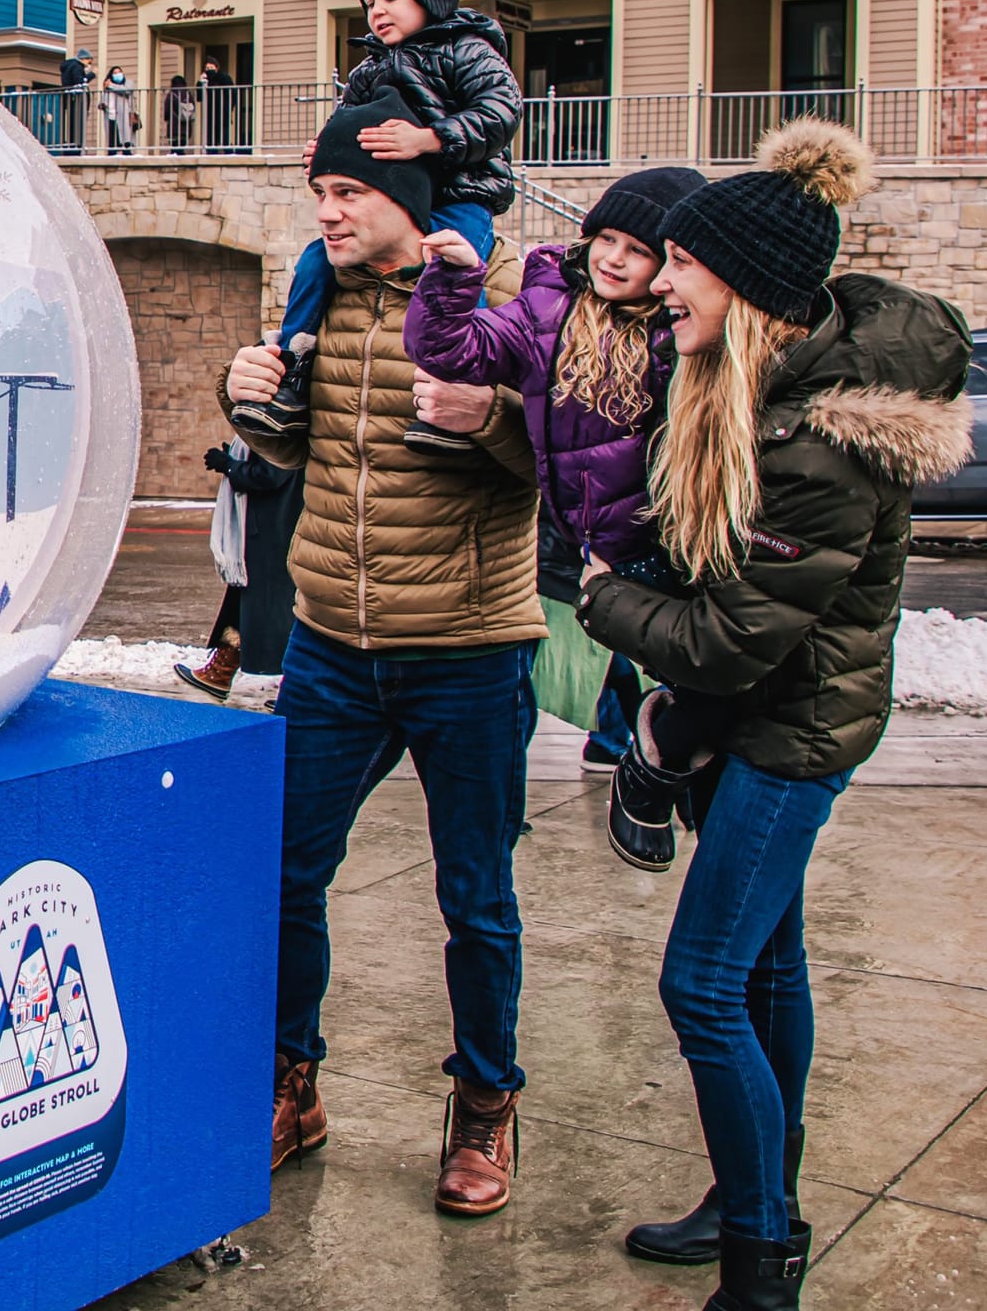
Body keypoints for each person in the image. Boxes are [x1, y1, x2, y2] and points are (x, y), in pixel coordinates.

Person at [575, 120, 971, 1309]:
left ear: (746, 288)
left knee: (702, 985)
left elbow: (729, 639)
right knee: (763, 970)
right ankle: (756, 1195)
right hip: (739, 718)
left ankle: (764, 1265)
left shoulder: (822, 445)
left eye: (683, 264)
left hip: (790, 735)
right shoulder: (740, 386)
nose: (661, 283)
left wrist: (603, 598)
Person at [221, 86, 544, 1214]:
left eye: (349, 190)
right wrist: (252, 400)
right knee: (283, 870)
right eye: (320, 191)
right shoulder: (325, 293)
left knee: (475, 896)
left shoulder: (502, 293)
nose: (328, 211)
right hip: (332, 648)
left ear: (409, 197)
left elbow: (558, 462)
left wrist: (489, 419)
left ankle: (485, 1105)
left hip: (466, 648)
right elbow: (301, 446)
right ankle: (290, 1084)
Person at [401, 164, 735, 869]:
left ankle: (673, 785)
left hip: (676, 541)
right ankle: (640, 771)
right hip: (589, 544)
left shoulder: (684, 330)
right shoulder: (548, 305)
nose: (614, 259)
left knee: (707, 686)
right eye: (606, 239)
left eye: (638, 250)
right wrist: (454, 281)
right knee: (556, 672)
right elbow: (449, 349)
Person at [231, 0, 521, 457]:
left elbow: (501, 111)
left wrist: (430, 139)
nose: (376, 12)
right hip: (403, 196)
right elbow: (347, 126)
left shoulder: (468, 50)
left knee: (458, 271)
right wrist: (326, 150)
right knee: (315, 261)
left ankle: (463, 376)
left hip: (461, 193)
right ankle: (295, 361)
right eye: (369, 2)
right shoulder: (370, 67)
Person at [175, 441, 303, 700]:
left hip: (271, 534)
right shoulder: (277, 430)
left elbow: (269, 476)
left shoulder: (277, 430)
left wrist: (230, 466)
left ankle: (297, 691)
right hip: (265, 534)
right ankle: (220, 672)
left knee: (273, 615)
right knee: (246, 608)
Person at [59, 46, 95, 154]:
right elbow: (79, 81)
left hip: (72, 99)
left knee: (73, 124)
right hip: (76, 100)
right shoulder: (76, 66)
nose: (89, 64)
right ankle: (76, 147)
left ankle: (73, 145)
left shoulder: (71, 66)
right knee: (77, 124)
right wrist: (92, 74)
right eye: (89, 61)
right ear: (83, 58)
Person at [199, 57, 236, 153]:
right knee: (211, 139)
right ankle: (211, 154)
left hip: (223, 112)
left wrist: (230, 108)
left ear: (217, 68)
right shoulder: (205, 81)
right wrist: (200, 82)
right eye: (207, 68)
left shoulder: (224, 78)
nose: (209, 70)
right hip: (210, 113)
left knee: (225, 138)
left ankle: (229, 155)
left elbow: (232, 94)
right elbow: (199, 97)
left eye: (211, 68)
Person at [100, 65, 137, 154]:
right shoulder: (107, 85)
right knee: (112, 136)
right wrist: (102, 104)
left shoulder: (128, 82)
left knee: (126, 136)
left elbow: (126, 91)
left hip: (124, 113)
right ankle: (112, 154)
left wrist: (111, 85)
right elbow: (104, 98)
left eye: (119, 72)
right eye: (115, 73)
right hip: (111, 114)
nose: (117, 74)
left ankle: (127, 153)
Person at [163, 73, 198, 154]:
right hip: (185, 128)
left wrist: (166, 118)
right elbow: (192, 108)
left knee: (174, 149)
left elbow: (167, 112)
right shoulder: (188, 94)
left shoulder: (171, 94)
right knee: (181, 148)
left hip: (173, 127)